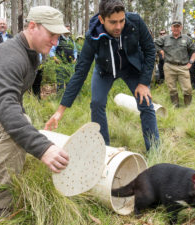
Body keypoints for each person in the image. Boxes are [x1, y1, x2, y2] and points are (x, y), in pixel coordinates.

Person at [0, 6, 70, 220]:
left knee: (16, 124)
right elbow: (5, 107)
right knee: (15, 124)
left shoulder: (29, 54)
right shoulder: (11, 55)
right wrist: (42, 148)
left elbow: (11, 100)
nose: (54, 42)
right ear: (32, 26)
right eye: (51, 35)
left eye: (58, 36)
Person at [45, 0, 159, 151]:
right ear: (101, 19)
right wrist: (60, 111)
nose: (118, 27)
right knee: (97, 103)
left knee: (146, 103)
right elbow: (80, 73)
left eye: (121, 21)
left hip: (132, 68)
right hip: (104, 70)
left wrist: (144, 83)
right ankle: (103, 149)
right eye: (113, 22)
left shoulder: (135, 21)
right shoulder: (92, 35)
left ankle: (154, 151)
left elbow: (150, 50)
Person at [155, 21, 195, 107]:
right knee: (172, 89)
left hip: (183, 67)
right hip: (169, 66)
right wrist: (160, 50)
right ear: (171, 28)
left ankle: (188, 107)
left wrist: (191, 62)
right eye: (174, 27)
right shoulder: (165, 38)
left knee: (188, 89)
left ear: (181, 28)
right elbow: (155, 44)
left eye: (178, 27)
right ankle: (175, 106)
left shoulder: (186, 38)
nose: (176, 28)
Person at [49, 24, 78, 92]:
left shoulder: (71, 40)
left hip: (69, 65)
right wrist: (55, 58)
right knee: (60, 82)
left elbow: (75, 50)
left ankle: (67, 98)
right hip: (60, 64)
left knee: (69, 82)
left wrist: (75, 58)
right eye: (66, 29)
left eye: (68, 29)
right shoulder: (58, 39)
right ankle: (59, 97)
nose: (67, 31)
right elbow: (51, 50)